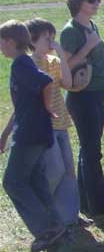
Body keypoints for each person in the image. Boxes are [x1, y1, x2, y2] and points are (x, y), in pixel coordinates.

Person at [0, 20, 66, 252]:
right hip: (33, 131)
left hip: (30, 134)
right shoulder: (23, 63)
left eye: (1, 42)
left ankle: (46, 229)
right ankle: (56, 225)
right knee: (35, 181)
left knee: (13, 182)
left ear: (10, 41)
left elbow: (46, 82)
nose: (0, 47)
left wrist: (47, 107)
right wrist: (5, 134)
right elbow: (23, 104)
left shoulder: (20, 64)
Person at [60, 0, 104, 217]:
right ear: (78, 2)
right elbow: (64, 67)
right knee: (92, 151)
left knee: (89, 149)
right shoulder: (71, 31)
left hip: (97, 91)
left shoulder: (91, 25)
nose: (96, 3)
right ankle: (101, 207)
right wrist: (87, 47)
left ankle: (85, 204)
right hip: (82, 96)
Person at [26, 18, 85, 231]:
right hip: (45, 125)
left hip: (61, 121)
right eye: (46, 38)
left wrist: (61, 56)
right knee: (54, 170)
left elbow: (67, 84)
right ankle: (50, 214)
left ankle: (70, 216)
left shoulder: (53, 61)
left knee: (68, 168)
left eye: (53, 37)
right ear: (32, 41)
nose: (52, 42)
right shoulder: (29, 63)